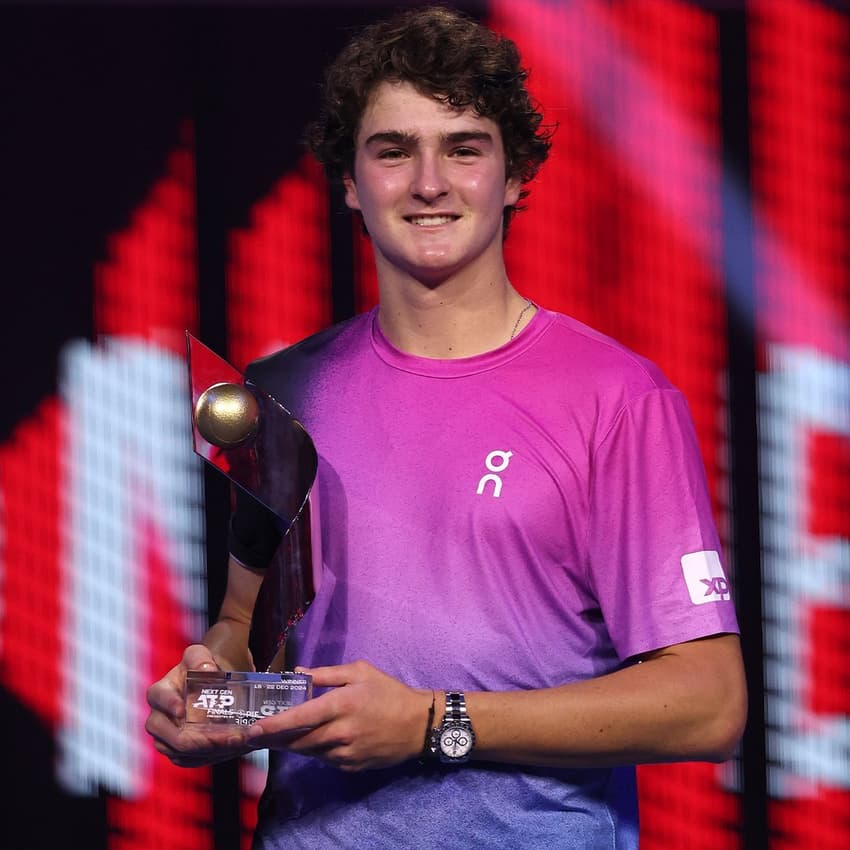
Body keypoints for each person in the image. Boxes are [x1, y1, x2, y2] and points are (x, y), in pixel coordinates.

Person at [146, 6, 747, 849]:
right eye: (393, 152)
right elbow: (245, 633)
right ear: (350, 182)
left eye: (464, 148)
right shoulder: (282, 392)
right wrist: (209, 697)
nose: (429, 182)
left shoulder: (617, 399)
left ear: (514, 177)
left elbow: (709, 705)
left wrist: (435, 721)